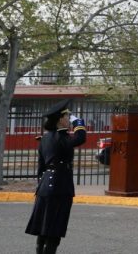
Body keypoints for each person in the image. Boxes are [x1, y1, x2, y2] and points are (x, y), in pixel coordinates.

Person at [25, 98, 87, 254]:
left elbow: (41, 167)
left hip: (45, 186)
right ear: (60, 120)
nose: (68, 119)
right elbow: (80, 138)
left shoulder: (45, 139)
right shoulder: (61, 137)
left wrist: (42, 183)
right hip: (60, 187)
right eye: (66, 116)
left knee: (44, 226)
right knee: (55, 228)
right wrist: (78, 122)